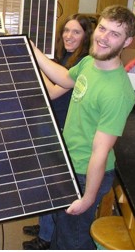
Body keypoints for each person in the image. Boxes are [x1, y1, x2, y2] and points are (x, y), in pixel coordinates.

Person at [31, 5, 135, 249]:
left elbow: (100, 153)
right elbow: (64, 78)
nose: (104, 37)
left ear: (127, 41)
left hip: (84, 174)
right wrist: (33, 51)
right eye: (103, 28)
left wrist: (87, 198)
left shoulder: (117, 93)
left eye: (114, 34)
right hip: (69, 164)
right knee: (61, 233)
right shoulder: (90, 62)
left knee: (74, 241)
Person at [22, 14, 94, 250]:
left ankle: (46, 237)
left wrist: (35, 59)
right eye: (66, 31)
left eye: (76, 32)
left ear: (85, 37)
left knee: (55, 186)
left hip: (63, 127)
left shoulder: (82, 62)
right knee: (47, 183)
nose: (68, 36)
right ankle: (44, 227)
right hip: (52, 124)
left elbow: (52, 92)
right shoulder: (65, 57)